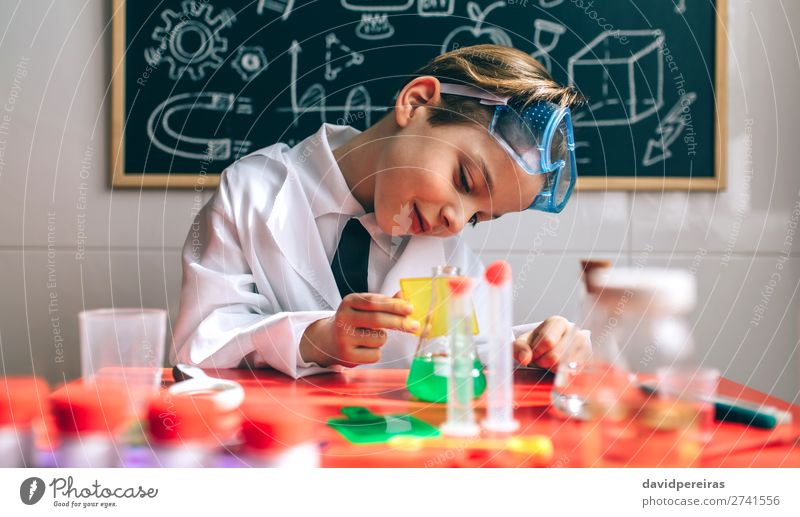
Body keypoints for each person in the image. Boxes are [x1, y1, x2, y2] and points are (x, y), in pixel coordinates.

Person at [171, 44, 585, 378]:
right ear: (417, 101)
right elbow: (198, 346)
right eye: (465, 181)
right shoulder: (251, 191)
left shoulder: (444, 253)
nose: (457, 221)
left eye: (478, 217)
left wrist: (536, 348)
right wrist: (313, 340)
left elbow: (467, 353)